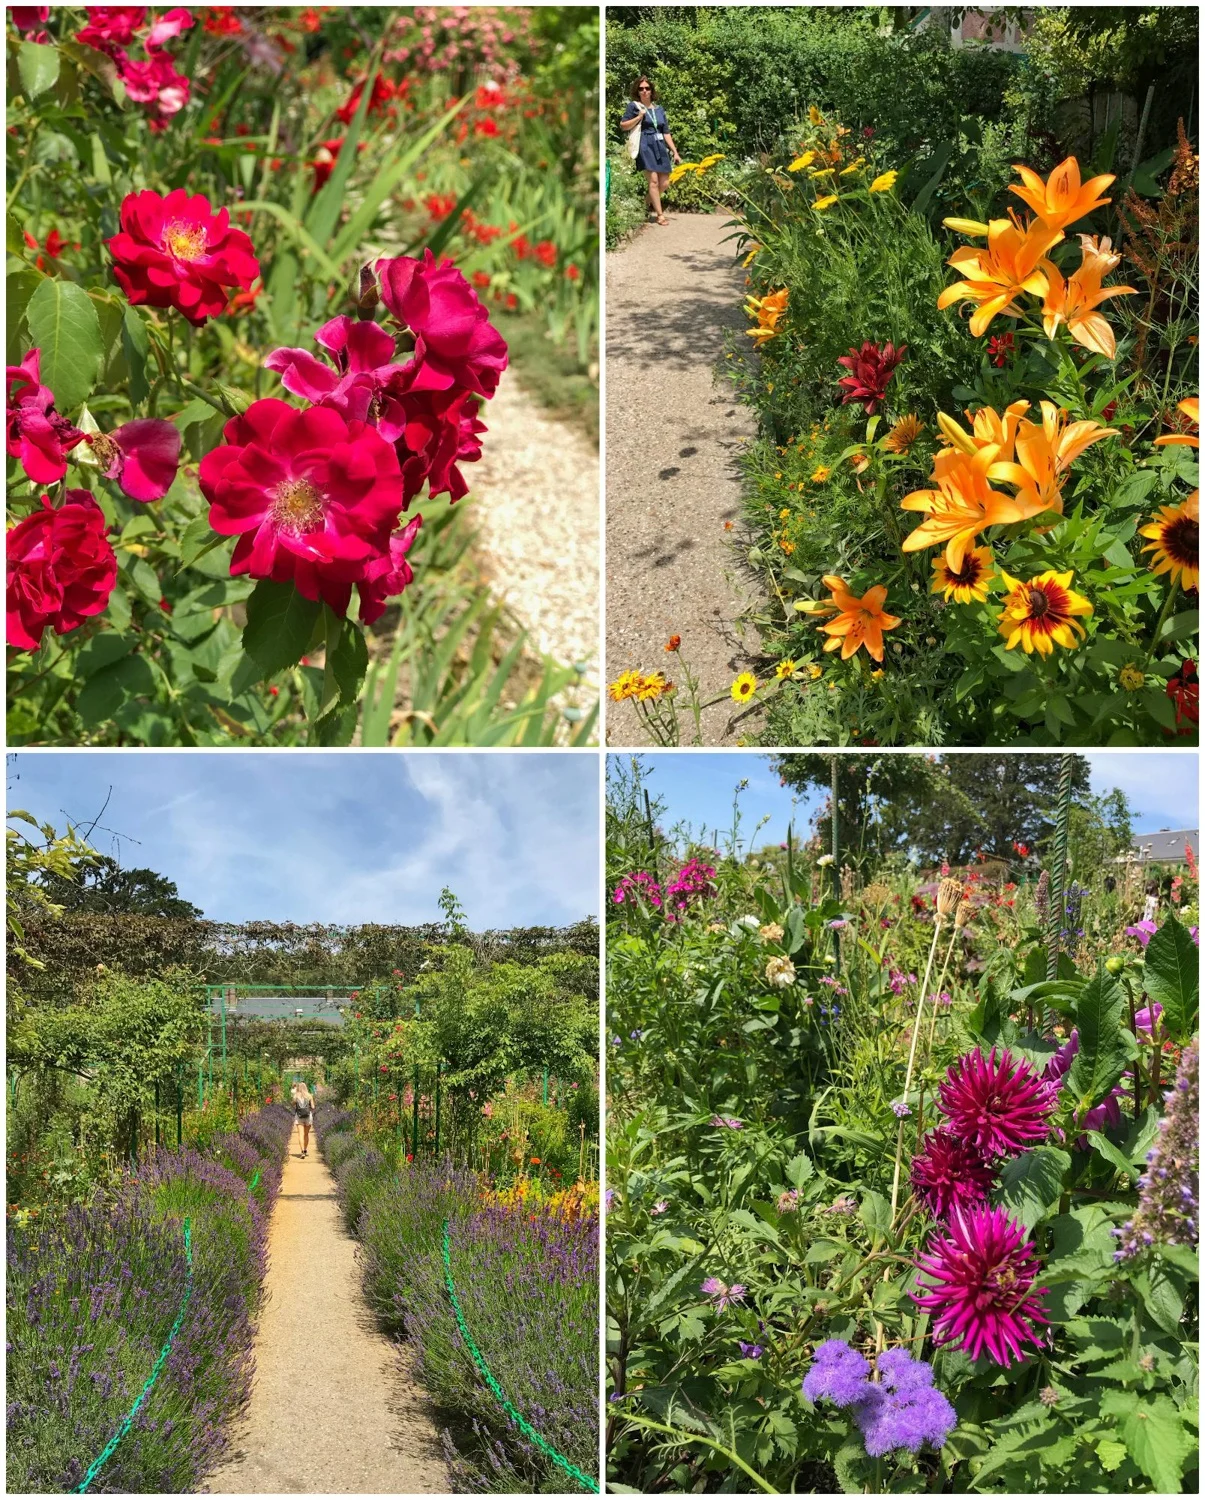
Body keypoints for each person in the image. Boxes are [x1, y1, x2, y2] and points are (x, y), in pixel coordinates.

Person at [620, 76, 682, 226]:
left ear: (651, 91)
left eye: (647, 88)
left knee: (665, 183)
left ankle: (643, 204)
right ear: (637, 91)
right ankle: (660, 215)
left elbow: (666, 132)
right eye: (641, 89)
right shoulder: (634, 107)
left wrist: (675, 151)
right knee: (653, 181)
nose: (644, 91)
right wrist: (639, 117)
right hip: (645, 145)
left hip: (660, 145)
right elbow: (623, 125)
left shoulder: (659, 110)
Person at [290, 1078, 314, 1157]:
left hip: (299, 1116)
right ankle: (305, 1150)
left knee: (300, 1134)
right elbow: (313, 1107)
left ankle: (302, 1151)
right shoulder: (309, 1096)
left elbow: (292, 1104)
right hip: (308, 1116)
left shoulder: (296, 1096)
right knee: (306, 1135)